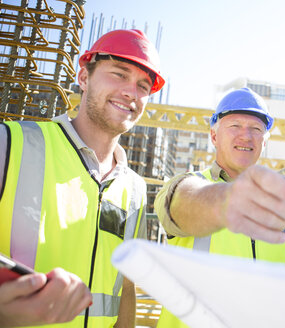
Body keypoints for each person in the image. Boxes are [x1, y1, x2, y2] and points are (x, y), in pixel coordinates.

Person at [0, 29, 165, 326]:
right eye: (119, 74)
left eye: (143, 85)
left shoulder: (134, 189)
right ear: (84, 78)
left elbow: (125, 287)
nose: (131, 92)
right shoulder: (10, 145)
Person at [154, 87, 285, 327]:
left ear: (264, 141)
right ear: (214, 136)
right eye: (235, 126)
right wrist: (228, 198)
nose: (246, 136)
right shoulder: (187, 187)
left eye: (256, 129)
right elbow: (177, 204)